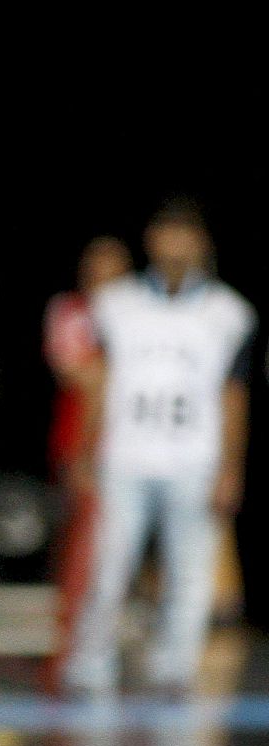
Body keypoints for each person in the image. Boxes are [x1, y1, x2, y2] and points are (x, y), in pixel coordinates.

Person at [61, 199, 255, 698]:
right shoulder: (117, 304)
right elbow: (99, 379)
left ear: (202, 244)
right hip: (128, 454)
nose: (175, 245)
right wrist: (86, 446)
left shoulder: (228, 313)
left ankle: (174, 669)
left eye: (185, 235)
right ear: (151, 240)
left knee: (190, 573)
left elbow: (233, 395)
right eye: (167, 234)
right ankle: (89, 667)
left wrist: (231, 467)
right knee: (110, 564)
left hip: (194, 456)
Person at [40, 236, 133, 694]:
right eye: (94, 266)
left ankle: (108, 655)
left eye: (112, 267)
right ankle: (71, 657)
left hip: (135, 448)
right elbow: (78, 371)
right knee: (81, 555)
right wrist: (83, 453)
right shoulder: (69, 309)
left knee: (122, 555)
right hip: (79, 445)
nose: (102, 276)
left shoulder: (142, 314)